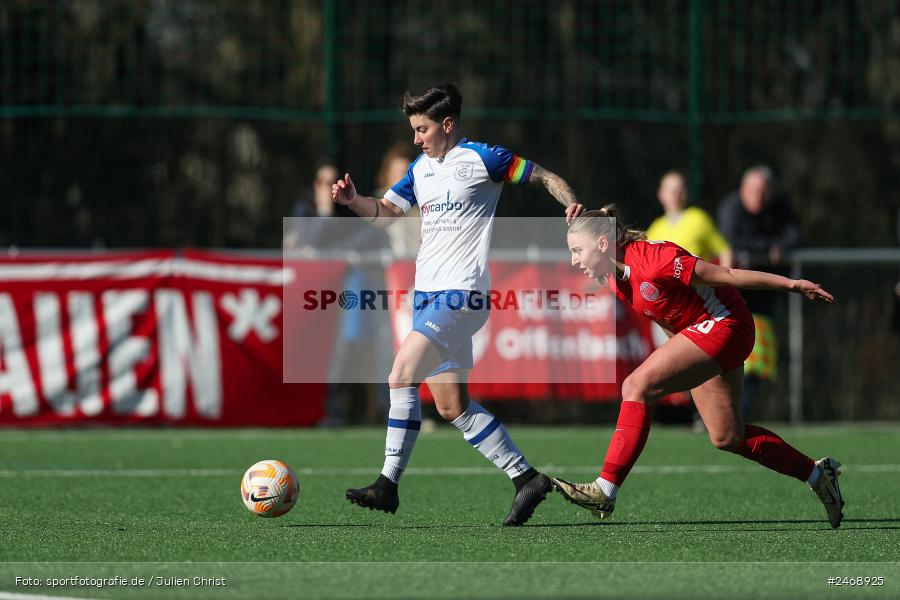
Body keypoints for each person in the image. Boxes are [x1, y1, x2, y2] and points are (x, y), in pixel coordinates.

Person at [331, 83, 583, 525]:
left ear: (447, 125)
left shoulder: (483, 159)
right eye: (413, 129)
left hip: (461, 294)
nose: (416, 138)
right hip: (428, 296)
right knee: (452, 407)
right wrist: (353, 201)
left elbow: (544, 176)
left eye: (423, 128)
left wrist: (571, 204)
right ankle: (526, 478)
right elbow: (387, 211)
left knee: (400, 374)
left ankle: (387, 484)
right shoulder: (420, 169)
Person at [553, 206, 844, 528]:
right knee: (726, 436)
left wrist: (792, 285)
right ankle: (818, 474)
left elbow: (728, 275)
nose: (574, 260)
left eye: (577, 250)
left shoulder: (656, 259)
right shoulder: (614, 280)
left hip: (726, 325)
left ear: (603, 245)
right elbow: (667, 317)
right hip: (704, 335)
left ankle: (605, 489)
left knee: (634, 386)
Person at [717, 165, 800, 414]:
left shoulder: (781, 207)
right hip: (734, 296)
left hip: (763, 299)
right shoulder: (730, 208)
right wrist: (768, 248)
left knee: (758, 359)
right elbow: (729, 240)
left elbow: (795, 235)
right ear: (743, 190)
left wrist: (778, 247)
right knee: (725, 354)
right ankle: (715, 410)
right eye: (753, 191)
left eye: (764, 192)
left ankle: (737, 412)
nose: (758, 197)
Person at [646, 170, 731, 267]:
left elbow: (724, 251)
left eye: (680, 188)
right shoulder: (655, 228)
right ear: (661, 194)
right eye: (670, 189)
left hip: (695, 281)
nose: (676, 193)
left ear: (686, 192)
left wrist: (725, 279)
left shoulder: (699, 218)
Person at [373, 143, 422, 258]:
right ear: (387, 174)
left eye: (405, 174)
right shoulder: (376, 205)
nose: (401, 180)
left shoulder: (421, 206)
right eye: (396, 174)